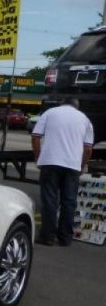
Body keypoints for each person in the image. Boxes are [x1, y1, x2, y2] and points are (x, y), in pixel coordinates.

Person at [31, 97, 94, 246]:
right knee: (69, 202)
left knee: (49, 200)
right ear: (76, 107)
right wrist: (82, 165)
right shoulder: (85, 119)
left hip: (50, 162)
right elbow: (88, 148)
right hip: (72, 165)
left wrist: (38, 157)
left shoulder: (49, 113)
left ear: (61, 104)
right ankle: (65, 238)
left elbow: (35, 137)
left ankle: (47, 237)